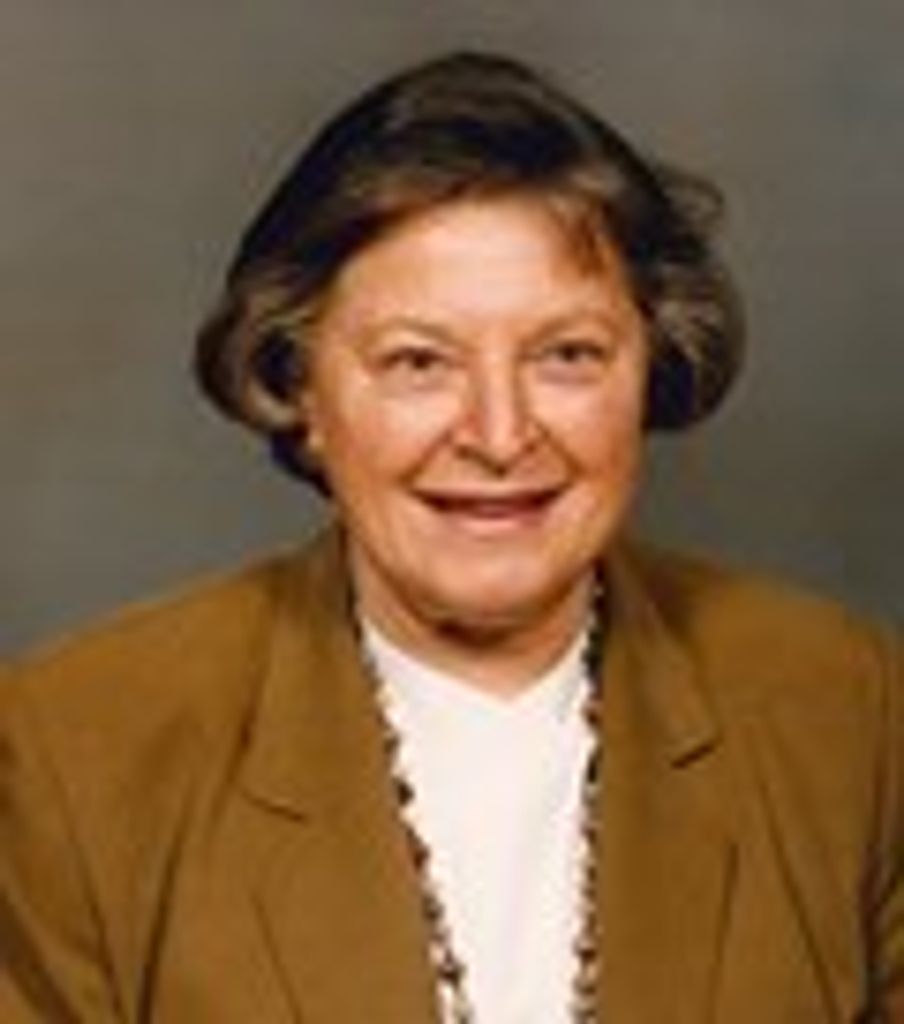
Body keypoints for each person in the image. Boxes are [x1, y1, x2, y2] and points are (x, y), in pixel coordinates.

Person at [0, 51, 901, 1024]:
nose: (500, 435)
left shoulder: (852, 713)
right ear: (301, 389)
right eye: (418, 362)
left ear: (650, 368)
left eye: (567, 355)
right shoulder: (74, 752)